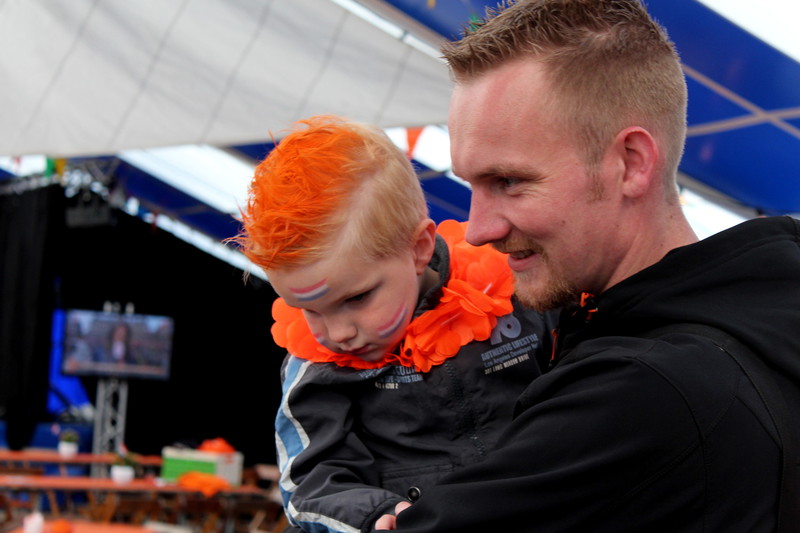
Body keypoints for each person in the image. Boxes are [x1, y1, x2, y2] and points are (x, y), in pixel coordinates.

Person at [381, 0, 800, 531]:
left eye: (508, 181)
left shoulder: (645, 392)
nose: (478, 229)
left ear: (630, 163)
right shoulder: (764, 318)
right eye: (472, 185)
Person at [234, 115, 553, 532]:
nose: (338, 334)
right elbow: (311, 483)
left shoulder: (513, 293)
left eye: (357, 298)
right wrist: (374, 517)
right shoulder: (316, 364)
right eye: (310, 310)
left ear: (419, 248)